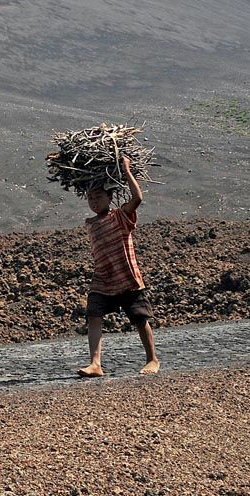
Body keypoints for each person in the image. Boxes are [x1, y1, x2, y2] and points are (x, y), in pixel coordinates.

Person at [77, 155, 161, 377]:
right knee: (94, 313)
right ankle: (95, 364)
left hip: (126, 277)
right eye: (90, 198)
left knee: (139, 318)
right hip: (103, 278)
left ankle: (152, 359)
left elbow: (138, 198)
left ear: (109, 197)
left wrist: (126, 171)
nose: (94, 202)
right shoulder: (91, 224)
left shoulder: (121, 216)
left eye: (98, 197)